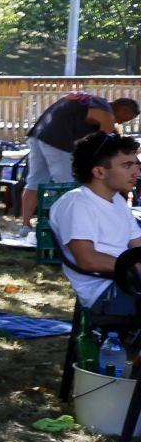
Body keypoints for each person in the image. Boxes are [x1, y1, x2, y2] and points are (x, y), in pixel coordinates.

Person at [17, 92, 140, 239]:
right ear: (124, 109)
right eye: (126, 118)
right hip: (57, 140)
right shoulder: (104, 109)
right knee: (67, 184)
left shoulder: (88, 100)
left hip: (38, 135)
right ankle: (69, 227)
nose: (121, 122)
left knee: (35, 182)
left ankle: (25, 226)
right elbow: (103, 143)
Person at [49, 132, 141, 315]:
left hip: (130, 283)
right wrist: (134, 268)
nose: (136, 172)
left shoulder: (118, 201)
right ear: (99, 171)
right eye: (127, 165)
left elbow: (137, 245)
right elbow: (88, 260)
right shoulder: (77, 204)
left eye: (136, 165)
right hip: (108, 292)